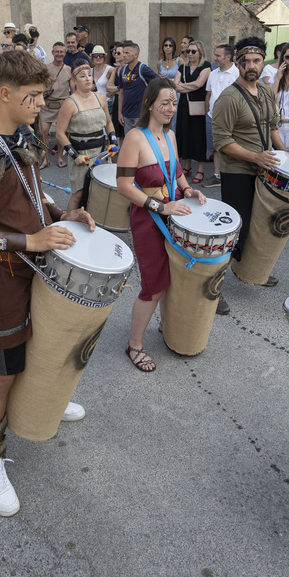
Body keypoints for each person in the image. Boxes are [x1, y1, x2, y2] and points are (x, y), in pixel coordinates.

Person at [0, 50, 97, 517]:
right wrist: (30, 238)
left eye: (41, 96)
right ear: (3, 94)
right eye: (31, 97)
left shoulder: (23, 133)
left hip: (35, 264)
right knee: (2, 368)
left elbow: (30, 192)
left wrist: (59, 215)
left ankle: (38, 403)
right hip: (2, 275)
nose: (39, 104)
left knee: (43, 343)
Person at [116, 78, 207, 372]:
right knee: (154, 285)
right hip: (148, 218)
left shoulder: (170, 134)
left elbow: (176, 170)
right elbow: (124, 185)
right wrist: (160, 206)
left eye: (174, 103)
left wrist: (188, 189)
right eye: (164, 102)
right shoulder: (135, 138)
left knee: (173, 278)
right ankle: (134, 345)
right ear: (149, 103)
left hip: (174, 213)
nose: (170, 108)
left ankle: (165, 327)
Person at [212, 37, 289, 307]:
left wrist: (285, 150)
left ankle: (251, 272)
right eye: (246, 61)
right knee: (235, 230)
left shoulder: (266, 92)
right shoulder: (228, 98)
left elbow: (272, 127)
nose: (251, 66)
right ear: (237, 63)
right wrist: (256, 157)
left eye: (256, 61)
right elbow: (222, 142)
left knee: (260, 227)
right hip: (238, 171)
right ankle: (213, 289)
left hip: (266, 170)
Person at [56, 62, 116, 209]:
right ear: (74, 81)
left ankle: (94, 225)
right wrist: (75, 155)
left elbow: (108, 122)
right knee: (79, 193)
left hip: (101, 153)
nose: (88, 79)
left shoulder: (100, 98)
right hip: (81, 155)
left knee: (101, 191)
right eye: (82, 76)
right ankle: (69, 224)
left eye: (90, 75)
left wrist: (113, 142)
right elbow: (59, 133)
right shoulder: (70, 103)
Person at [201, 43, 239, 185]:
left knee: (231, 147)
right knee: (215, 148)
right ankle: (217, 176)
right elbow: (208, 95)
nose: (215, 58)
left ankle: (230, 176)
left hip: (231, 119)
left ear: (228, 57)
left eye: (218, 55)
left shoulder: (238, 74)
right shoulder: (212, 73)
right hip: (212, 117)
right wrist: (207, 113)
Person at [174, 39, 211, 183]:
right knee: (184, 135)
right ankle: (187, 166)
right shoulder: (182, 67)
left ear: (200, 52)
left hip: (198, 106)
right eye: (188, 51)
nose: (189, 53)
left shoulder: (206, 66)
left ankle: (200, 169)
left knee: (198, 137)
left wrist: (183, 85)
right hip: (184, 106)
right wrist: (187, 86)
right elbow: (175, 86)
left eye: (193, 51)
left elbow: (199, 84)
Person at [38, 43, 73, 167]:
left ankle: (59, 157)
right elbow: (39, 85)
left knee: (61, 134)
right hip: (47, 105)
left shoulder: (69, 69)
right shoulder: (45, 68)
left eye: (62, 52)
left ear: (65, 53)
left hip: (62, 106)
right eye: (57, 52)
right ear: (52, 53)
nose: (59, 54)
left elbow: (72, 89)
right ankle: (45, 159)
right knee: (43, 132)